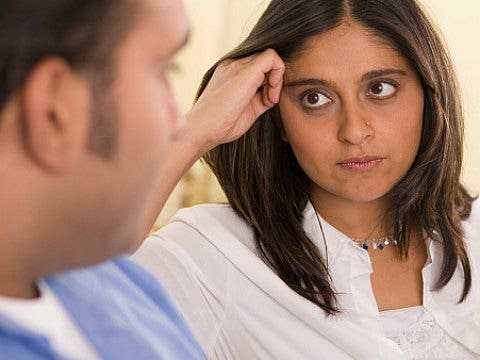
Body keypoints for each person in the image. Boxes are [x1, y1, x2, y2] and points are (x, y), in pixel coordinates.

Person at [133, 0, 480, 358]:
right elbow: (75, 293)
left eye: (380, 89)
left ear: (428, 91)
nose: (355, 131)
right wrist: (193, 133)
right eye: (315, 98)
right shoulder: (214, 255)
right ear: (277, 112)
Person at [0, 0, 285, 358]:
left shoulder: (101, 276)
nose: (175, 120)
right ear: (55, 109)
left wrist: (198, 133)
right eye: (165, 70)